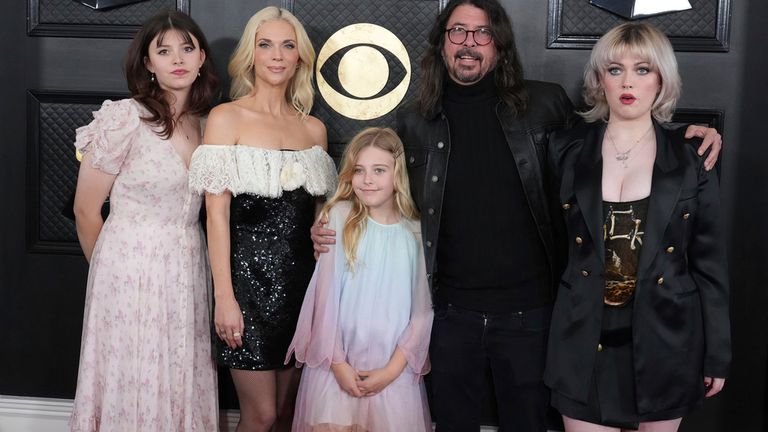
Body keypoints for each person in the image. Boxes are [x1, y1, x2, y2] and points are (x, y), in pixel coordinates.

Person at [313, 1, 723, 430]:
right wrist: (327, 219)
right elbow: (382, 193)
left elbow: (614, 137)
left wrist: (681, 137)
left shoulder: (544, 105)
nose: (469, 43)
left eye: (483, 33)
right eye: (458, 32)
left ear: (500, 46)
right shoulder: (416, 122)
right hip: (450, 313)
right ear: (440, 44)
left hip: (533, 313)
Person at [543, 22, 730, 432]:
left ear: (661, 79)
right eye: (615, 70)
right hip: (581, 337)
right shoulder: (565, 150)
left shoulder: (691, 157)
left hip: (667, 338)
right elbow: (551, 245)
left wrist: (717, 353)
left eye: (643, 69)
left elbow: (709, 264)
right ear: (599, 80)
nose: (628, 81)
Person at [187, 6, 337, 432]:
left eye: (288, 45)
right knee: (262, 416)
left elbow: (317, 213)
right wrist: (225, 298)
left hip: (301, 288)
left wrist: (319, 227)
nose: (277, 55)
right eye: (265, 44)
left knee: (290, 416)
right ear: (250, 54)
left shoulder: (314, 130)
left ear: (300, 58)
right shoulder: (226, 118)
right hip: (246, 291)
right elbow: (215, 217)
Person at [70, 10, 219, 431]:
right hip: (128, 269)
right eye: (165, 50)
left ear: (202, 57)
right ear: (148, 63)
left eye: (187, 49)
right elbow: (85, 209)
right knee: (132, 371)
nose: (178, 59)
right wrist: (110, 273)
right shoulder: (124, 118)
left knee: (179, 368)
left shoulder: (210, 125)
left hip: (187, 265)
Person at [286, 127, 434, 432]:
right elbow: (323, 300)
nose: (367, 180)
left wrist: (392, 371)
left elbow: (422, 312)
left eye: (379, 170)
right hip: (336, 365)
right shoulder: (338, 217)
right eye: (359, 170)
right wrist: (338, 365)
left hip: (392, 371)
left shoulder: (417, 231)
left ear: (398, 174)